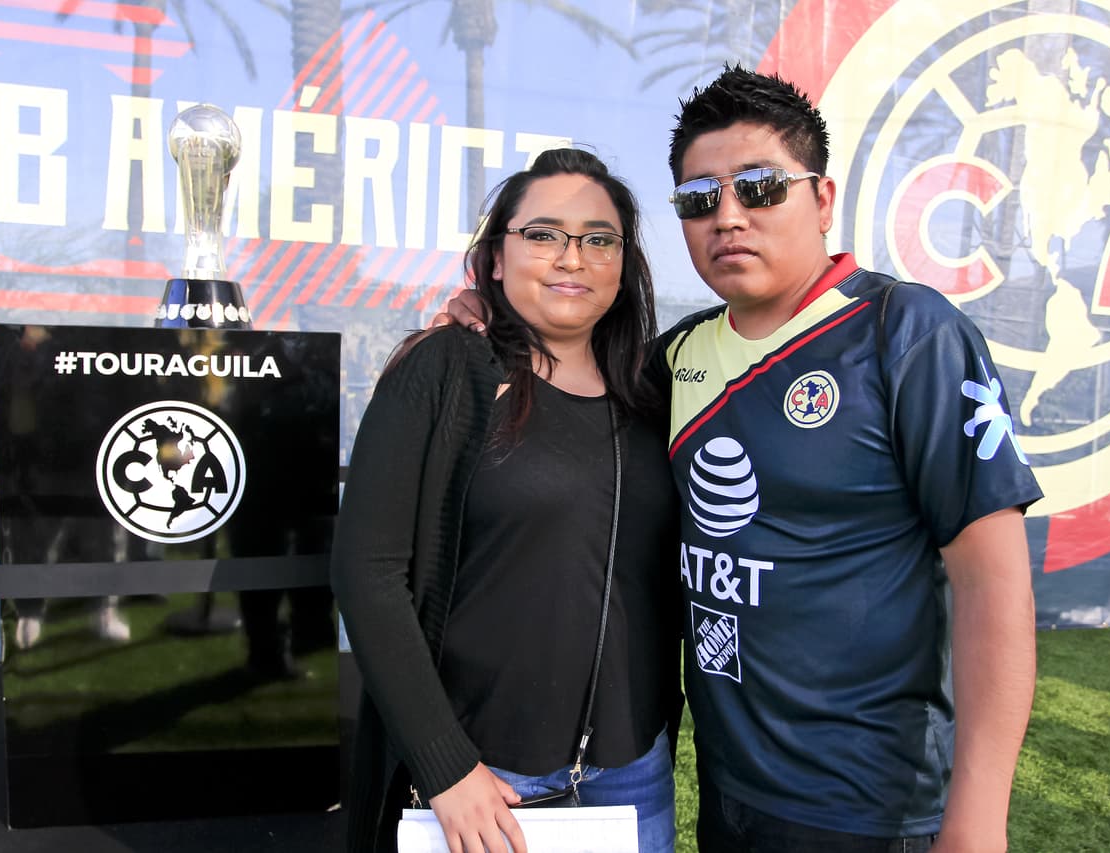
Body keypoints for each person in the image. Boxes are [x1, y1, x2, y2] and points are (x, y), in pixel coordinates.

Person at [441, 65, 1043, 853]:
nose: (728, 217)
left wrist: (978, 819)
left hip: (874, 808)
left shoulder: (907, 333)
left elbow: (991, 582)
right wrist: (484, 315)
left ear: (821, 199)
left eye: (760, 187)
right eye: (699, 199)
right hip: (725, 796)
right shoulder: (674, 359)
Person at [331, 147, 682, 853]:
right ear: (495, 256)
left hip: (633, 778)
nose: (571, 257)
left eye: (598, 238)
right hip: (486, 784)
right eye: (543, 233)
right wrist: (446, 767)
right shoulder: (443, 369)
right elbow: (367, 573)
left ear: (624, 261)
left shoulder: (659, 387)